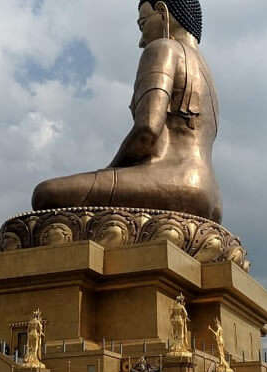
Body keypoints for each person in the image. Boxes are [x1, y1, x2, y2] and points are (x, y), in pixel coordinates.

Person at [32, 0, 222, 223]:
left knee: (46, 194)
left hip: (173, 181)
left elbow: (147, 131)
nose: (142, 42)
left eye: (143, 25)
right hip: (212, 199)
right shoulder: (207, 73)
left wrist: (110, 170)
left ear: (162, 11)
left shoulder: (163, 49)